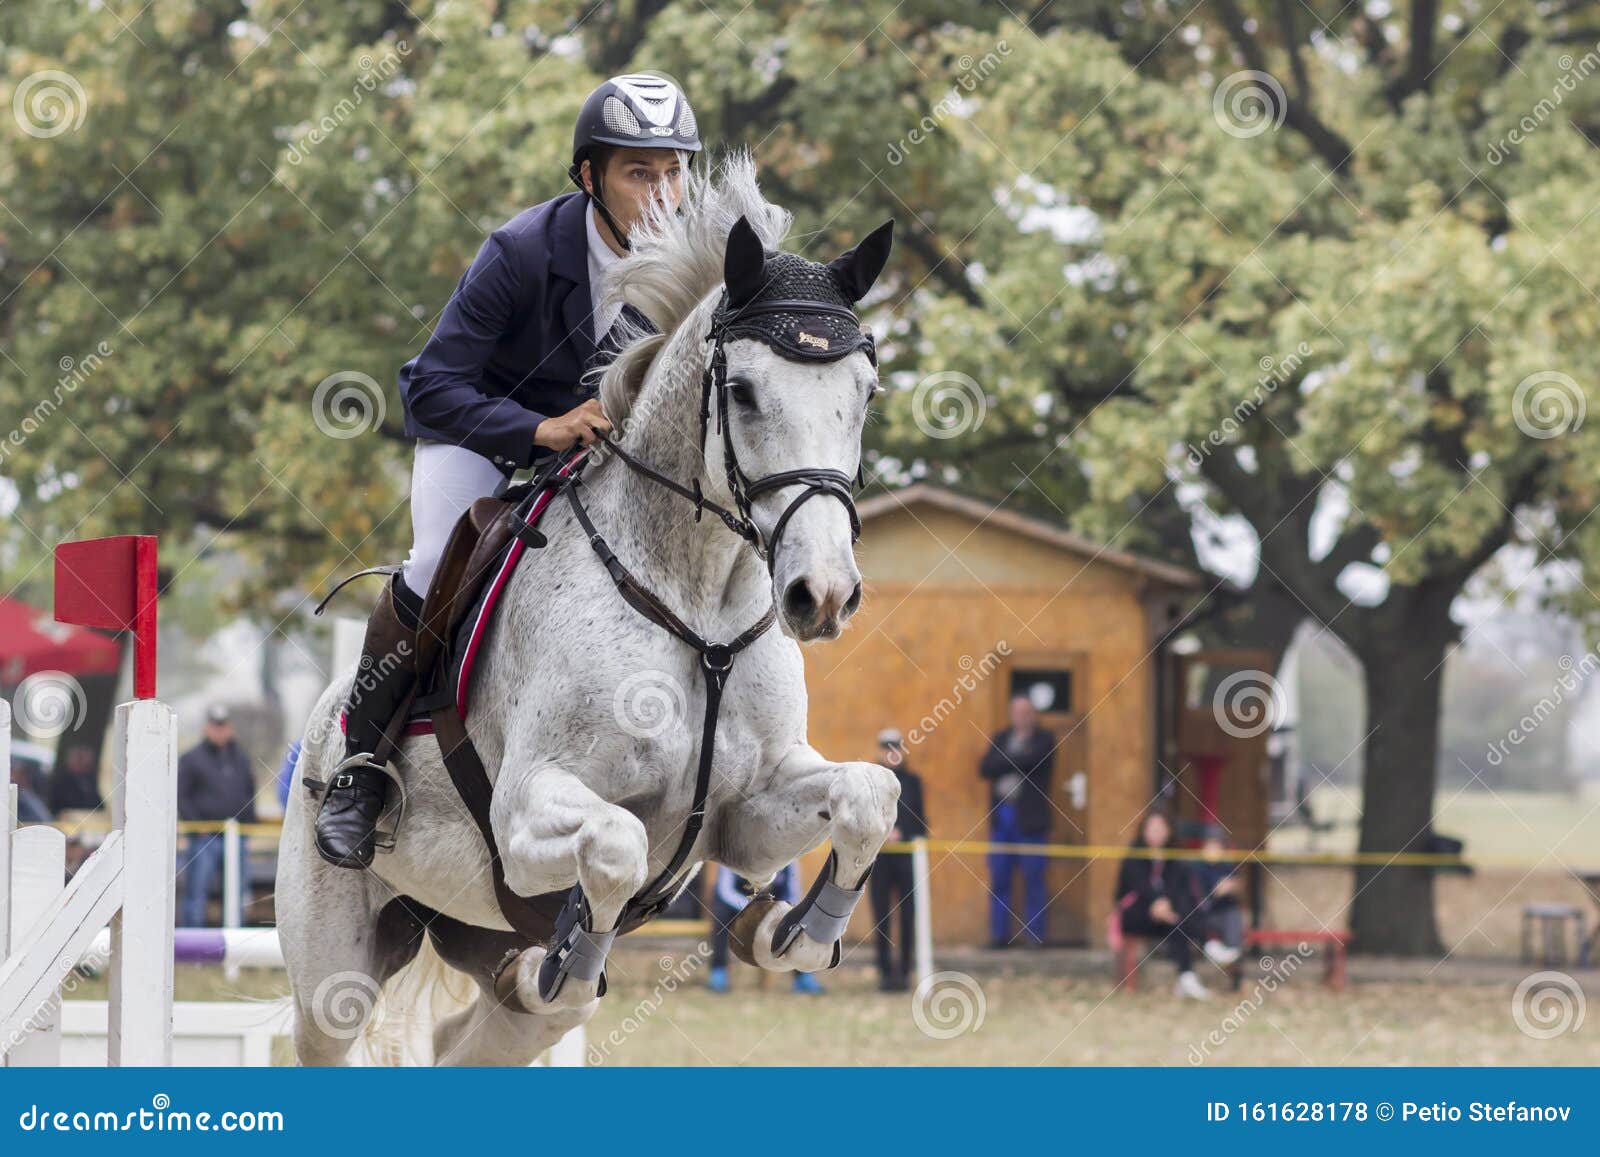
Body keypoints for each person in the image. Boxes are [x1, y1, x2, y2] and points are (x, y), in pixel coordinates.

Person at [314, 72, 704, 870]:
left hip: (607, 459)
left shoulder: (694, 264)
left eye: (674, 171)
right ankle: (362, 770)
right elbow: (429, 385)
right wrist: (538, 427)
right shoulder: (523, 250)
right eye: (639, 173)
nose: (663, 194)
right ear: (589, 176)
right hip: (483, 435)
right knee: (429, 567)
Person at [979, 695, 1057, 946]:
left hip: (1030, 820)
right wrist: (1014, 759)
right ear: (1011, 714)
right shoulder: (1001, 738)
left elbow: (1032, 762)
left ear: (1033, 714)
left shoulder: (1044, 739)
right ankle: (999, 936)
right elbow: (985, 768)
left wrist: (1006, 760)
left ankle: (1035, 935)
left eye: (1026, 711)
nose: (1021, 716)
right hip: (1003, 815)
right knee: (999, 876)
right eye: (1017, 711)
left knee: (1034, 877)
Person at [1114, 809, 1210, 999]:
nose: (1157, 832)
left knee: (1178, 918)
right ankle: (1204, 952)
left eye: (1161, 828)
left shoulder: (1174, 857)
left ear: (1168, 831)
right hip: (1135, 913)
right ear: (1144, 830)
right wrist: (1156, 904)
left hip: (1166, 917)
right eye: (1153, 828)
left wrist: (1164, 905)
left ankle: (1186, 977)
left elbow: (1175, 889)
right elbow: (1138, 887)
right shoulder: (1133, 856)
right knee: (1174, 918)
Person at [177, 705, 257, 927]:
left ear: (230, 728)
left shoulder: (241, 758)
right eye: (215, 726)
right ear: (207, 727)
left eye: (223, 726)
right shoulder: (191, 758)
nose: (219, 731)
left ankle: (237, 941)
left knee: (237, 891)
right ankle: (192, 947)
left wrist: (247, 826)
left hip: (235, 836)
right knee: (196, 891)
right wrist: (196, 825)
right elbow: (181, 796)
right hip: (203, 838)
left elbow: (249, 792)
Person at [706, 863, 824, 995]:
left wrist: (781, 911)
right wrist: (751, 908)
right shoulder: (733, 853)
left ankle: (804, 977)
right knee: (720, 914)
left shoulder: (790, 857)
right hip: (737, 906)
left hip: (773, 906)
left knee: (797, 919)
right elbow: (725, 891)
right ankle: (718, 972)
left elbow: (792, 892)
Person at [868, 728, 925, 991]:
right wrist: (883, 832)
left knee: (908, 916)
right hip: (879, 859)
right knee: (881, 916)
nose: (892, 753)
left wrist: (903, 833)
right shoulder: (870, 782)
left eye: (896, 747)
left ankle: (904, 971)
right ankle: (884, 972)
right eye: (887, 747)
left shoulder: (913, 782)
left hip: (905, 859)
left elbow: (921, 823)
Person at [1192, 824, 1244, 966]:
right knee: (1200, 921)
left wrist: (1233, 886)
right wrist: (1215, 893)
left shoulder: (1226, 866)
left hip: (1225, 911)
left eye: (1217, 845)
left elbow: (1239, 887)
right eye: (1210, 845)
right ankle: (1213, 949)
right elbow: (1199, 901)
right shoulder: (1197, 869)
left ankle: (1233, 954)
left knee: (1234, 916)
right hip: (1207, 913)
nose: (1213, 849)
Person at [48, 745, 104, 813]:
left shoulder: (89, 779)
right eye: (80, 758)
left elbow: (99, 803)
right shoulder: (61, 779)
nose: (85, 762)